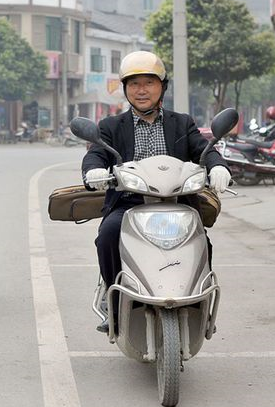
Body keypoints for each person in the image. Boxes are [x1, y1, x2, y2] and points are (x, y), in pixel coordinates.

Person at [81, 51, 231, 333]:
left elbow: (204, 150)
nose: (141, 90)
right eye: (134, 83)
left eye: (149, 82)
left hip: (177, 203)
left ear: (162, 86)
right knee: (108, 236)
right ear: (125, 89)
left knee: (203, 244)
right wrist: (93, 172)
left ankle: (200, 302)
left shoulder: (181, 123)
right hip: (129, 203)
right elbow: (97, 154)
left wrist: (218, 166)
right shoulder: (111, 126)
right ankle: (112, 301)